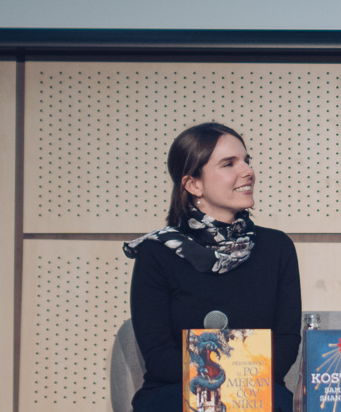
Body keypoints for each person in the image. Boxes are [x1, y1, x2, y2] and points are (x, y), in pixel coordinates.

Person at [125, 122, 301, 412]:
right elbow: (159, 355)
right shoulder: (157, 252)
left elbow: (286, 341)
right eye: (229, 163)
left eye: (246, 160)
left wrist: (243, 383)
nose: (247, 171)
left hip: (256, 392)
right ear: (194, 184)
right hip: (178, 391)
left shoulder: (277, 247)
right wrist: (223, 379)